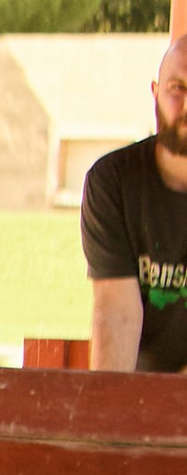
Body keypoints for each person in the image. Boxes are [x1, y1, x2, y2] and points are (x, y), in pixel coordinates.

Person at [83, 35, 187, 371]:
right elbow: (117, 313)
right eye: (177, 88)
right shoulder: (113, 181)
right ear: (155, 92)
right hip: (141, 395)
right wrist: (110, 414)